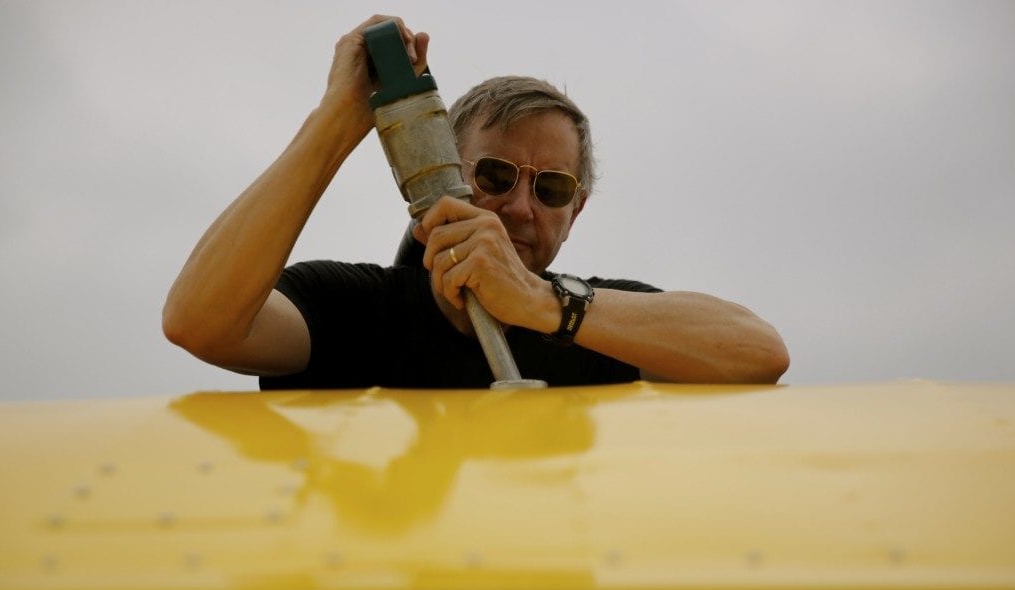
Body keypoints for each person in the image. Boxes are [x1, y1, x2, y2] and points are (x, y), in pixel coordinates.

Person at [163, 15, 789, 389]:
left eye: (552, 189)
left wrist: (543, 306)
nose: (520, 207)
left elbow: (760, 352)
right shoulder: (355, 310)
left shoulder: (607, 325)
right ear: (443, 176)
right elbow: (200, 322)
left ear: (577, 211)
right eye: (493, 174)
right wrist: (336, 121)